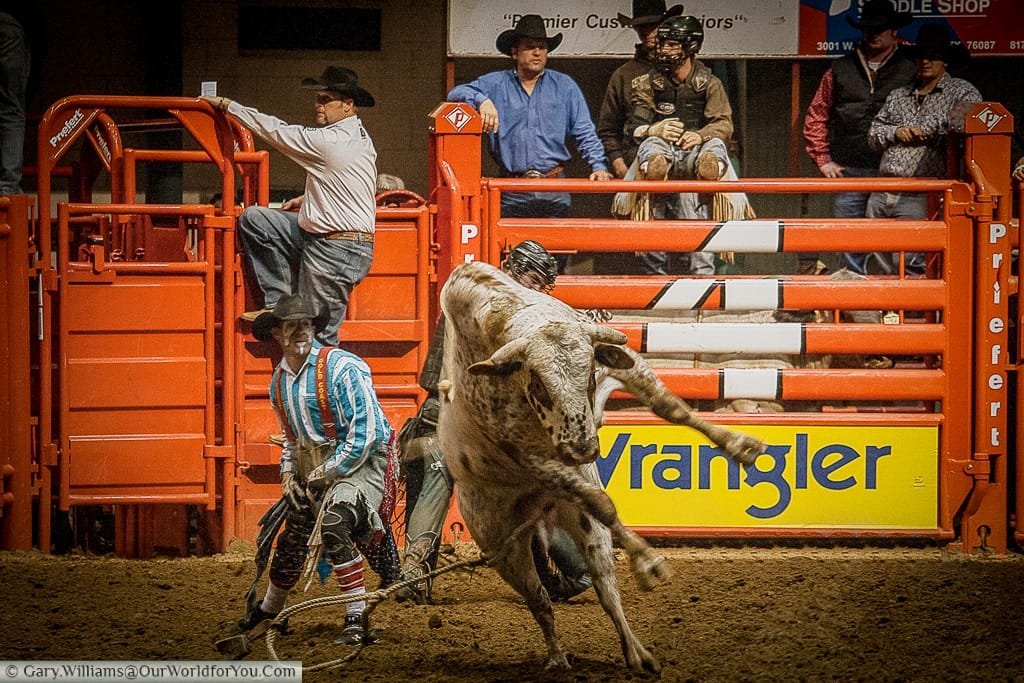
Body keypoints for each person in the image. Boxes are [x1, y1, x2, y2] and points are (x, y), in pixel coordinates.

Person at [395, 240, 592, 605]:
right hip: (456, 413)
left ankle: (415, 572)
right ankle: (413, 573)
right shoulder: (498, 308)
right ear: (515, 272)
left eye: (542, 285)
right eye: (534, 279)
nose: (537, 290)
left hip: (457, 413)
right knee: (451, 472)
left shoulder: (482, 298)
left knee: (454, 479)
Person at [238, 294, 398, 646]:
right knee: (294, 533)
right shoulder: (279, 383)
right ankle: (269, 608)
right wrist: (288, 476)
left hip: (362, 465)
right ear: (277, 334)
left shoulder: (342, 367)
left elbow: (367, 432)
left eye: (306, 324)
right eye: (292, 325)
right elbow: (293, 441)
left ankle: (356, 614)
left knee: (335, 523)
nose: (301, 331)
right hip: (318, 468)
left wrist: (326, 470)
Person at [200, 66, 378, 346]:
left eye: (325, 99)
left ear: (348, 105)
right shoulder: (359, 136)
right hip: (332, 240)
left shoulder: (328, 141)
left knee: (317, 338)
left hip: (336, 248)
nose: (317, 105)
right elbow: (351, 180)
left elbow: (276, 131)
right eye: (317, 98)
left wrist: (230, 106)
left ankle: (319, 385)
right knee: (255, 220)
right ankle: (280, 303)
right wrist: (310, 200)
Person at [446, 14, 612, 272]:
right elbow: (456, 93)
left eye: (542, 47)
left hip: (553, 185)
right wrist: (482, 100)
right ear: (515, 52)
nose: (537, 53)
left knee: (556, 259)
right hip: (511, 188)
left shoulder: (564, 86)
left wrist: (598, 166)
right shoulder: (495, 84)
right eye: (530, 47)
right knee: (509, 259)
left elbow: (584, 130)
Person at [802, 0, 916, 275]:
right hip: (849, 168)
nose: (873, 34)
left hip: (895, 172)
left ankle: (894, 303)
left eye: (880, 29)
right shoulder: (841, 68)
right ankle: (854, 306)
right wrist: (823, 159)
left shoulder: (912, 66)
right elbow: (817, 113)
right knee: (850, 240)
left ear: (893, 31)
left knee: (896, 243)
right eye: (868, 29)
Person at [623, 15, 739, 276]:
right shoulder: (647, 82)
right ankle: (655, 294)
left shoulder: (710, 83)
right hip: (659, 169)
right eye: (663, 44)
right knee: (652, 236)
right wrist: (655, 128)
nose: (664, 50)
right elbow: (633, 128)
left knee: (714, 148)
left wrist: (700, 136)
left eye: (672, 45)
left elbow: (723, 124)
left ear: (690, 47)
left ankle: (702, 298)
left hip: (694, 165)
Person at [866, 23, 981, 275]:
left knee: (912, 260)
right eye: (921, 56)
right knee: (879, 258)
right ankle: (890, 312)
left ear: (946, 61)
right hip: (884, 187)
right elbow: (873, 134)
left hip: (923, 190)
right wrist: (895, 132)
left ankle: (915, 313)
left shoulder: (962, 91)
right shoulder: (899, 94)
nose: (925, 61)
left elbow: (966, 123)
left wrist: (922, 130)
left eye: (933, 56)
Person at [597, 0, 684, 179]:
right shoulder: (623, 75)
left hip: (685, 166)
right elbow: (608, 128)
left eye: (653, 26)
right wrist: (617, 161)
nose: (647, 33)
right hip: (637, 167)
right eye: (641, 27)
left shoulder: (688, 70)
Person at [0, 10, 29, 195]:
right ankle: (8, 187)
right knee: (10, 111)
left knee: (10, 110)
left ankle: (8, 186)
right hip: (8, 23)